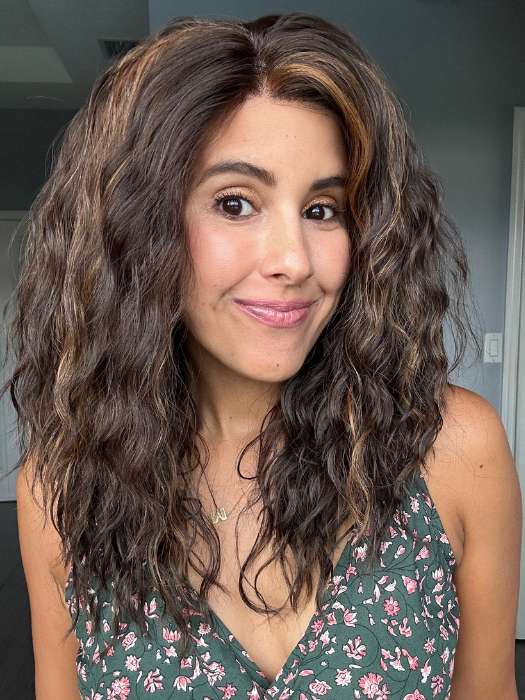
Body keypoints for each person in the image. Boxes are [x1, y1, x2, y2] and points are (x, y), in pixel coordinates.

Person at [7, 11, 521, 700]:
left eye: (322, 209)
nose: (293, 261)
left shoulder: (454, 449)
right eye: (235, 203)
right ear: (140, 228)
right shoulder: (64, 489)